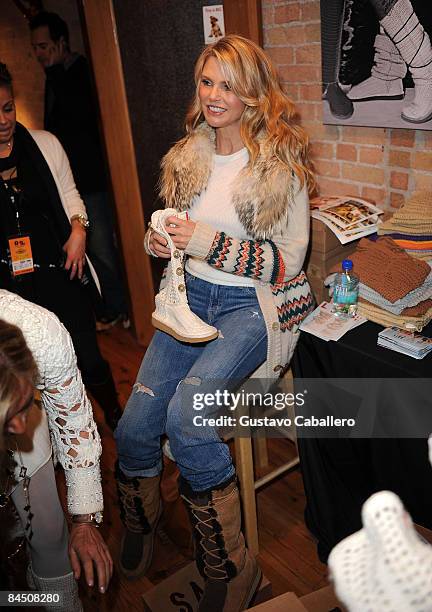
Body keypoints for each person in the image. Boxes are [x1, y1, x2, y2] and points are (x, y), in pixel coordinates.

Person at [115, 35, 314, 611]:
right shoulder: (187, 156)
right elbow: (176, 239)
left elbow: (285, 264)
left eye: (228, 84)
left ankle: (234, 566)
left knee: (190, 417)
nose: (214, 95)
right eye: (207, 81)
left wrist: (204, 241)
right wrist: (161, 240)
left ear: (253, 94)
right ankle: (143, 518)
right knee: (132, 426)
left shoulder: (281, 164)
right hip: (189, 300)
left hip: (253, 307)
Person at [0, 62, 122, 430]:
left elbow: (70, 194)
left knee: (88, 355)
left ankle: (113, 411)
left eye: (7, 108)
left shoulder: (45, 144)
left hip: (60, 272)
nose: (3, 120)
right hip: (10, 287)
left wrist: (79, 230)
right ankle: (55, 435)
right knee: (29, 367)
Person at [0, 291, 113, 610]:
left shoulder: (40, 334)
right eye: (12, 415)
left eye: (26, 405)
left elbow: (73, 422)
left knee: (48, 532)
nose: (23, 428)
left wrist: (84, 519)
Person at [29, 11, 129, 329]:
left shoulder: (80, 71)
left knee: (101, 247)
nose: (39, 53)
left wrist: (57, 71)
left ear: (61, 43)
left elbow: (79, 123)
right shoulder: (53, 76)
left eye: (45, 45)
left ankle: (119, 309)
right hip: (66, 179)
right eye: (36, 47)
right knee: (85, 250)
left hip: (90, 177)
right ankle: (106, 308)